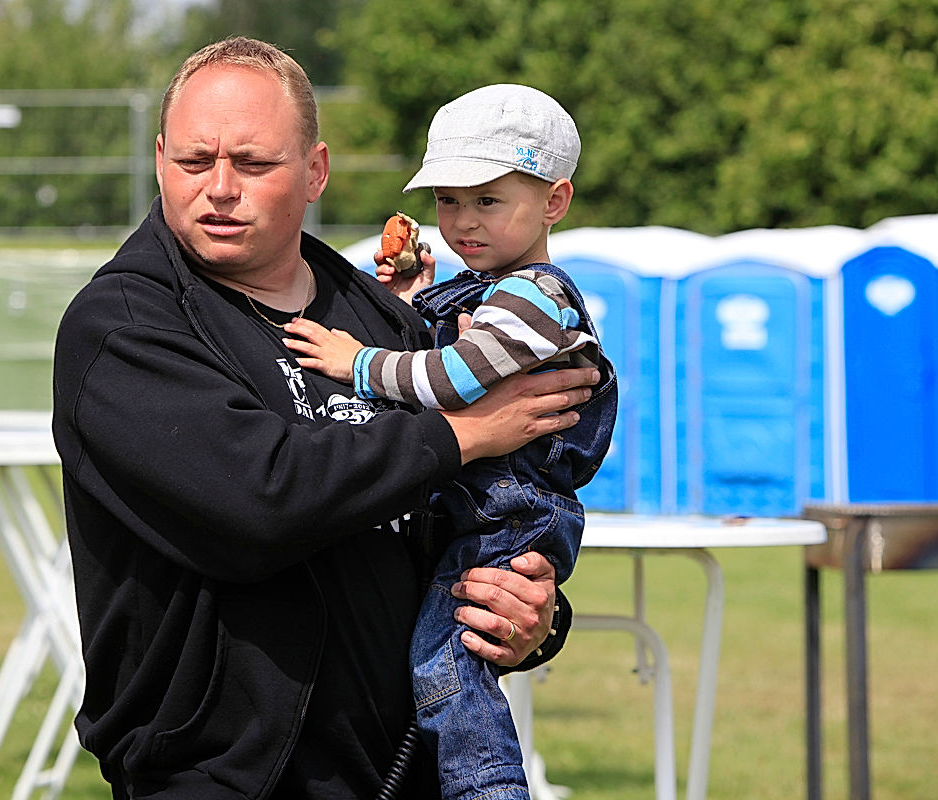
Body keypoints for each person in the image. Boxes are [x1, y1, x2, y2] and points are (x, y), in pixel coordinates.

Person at [52, 38, 599, 800]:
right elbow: (259, 500)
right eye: (193, 160)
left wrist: (527, 613)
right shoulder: (125, 328)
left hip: (405, 772)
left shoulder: (382, 317)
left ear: (314, 172)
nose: (219, 188)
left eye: (252, 163)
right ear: (158, 159)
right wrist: (462, 433)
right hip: (218, 778)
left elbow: (468, 510)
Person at [284, 84, 618, 800]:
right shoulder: (488, 290)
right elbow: (452, 348)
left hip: (509, 511)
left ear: (554, 202)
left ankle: (487, 789)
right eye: (447, 201)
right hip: (484, 505)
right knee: (437, 655)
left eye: (487, 201)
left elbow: (453, 380)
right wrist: (410, 299)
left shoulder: (536, 296)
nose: (462, 221)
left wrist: (356, 361)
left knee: (448, 661)